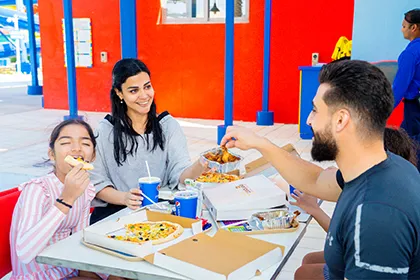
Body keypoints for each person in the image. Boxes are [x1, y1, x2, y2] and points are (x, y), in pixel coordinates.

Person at [221, 60, 420, 279]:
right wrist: (260, 143)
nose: (308, 120)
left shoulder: (375, 216)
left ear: (341, 120)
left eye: (315, 110)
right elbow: (315, 180)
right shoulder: (387, 166)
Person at [90, 58, 208, 224]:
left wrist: (202, 163)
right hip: (118, 212)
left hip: (161, 211)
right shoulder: (105, 130)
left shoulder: (167, 125)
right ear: (119, 93)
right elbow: (98, 183)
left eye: (147, 87)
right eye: (133, 91)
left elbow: (181, 175)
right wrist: (125, 198)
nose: (144, 96)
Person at [292, 127, 419, 280]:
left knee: (303, 273)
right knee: (309, 259)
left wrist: (315, 209)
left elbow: (360, 240)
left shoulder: (376, 204)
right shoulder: (402, 177)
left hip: (383, 259)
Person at [9, 119, 102, 279]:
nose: (76, 148)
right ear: (52, 154)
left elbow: (80, 236)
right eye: (66, 142)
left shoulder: (86, 188)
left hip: (68, 267)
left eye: (85, 144)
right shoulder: (38, 189)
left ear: (92, 156)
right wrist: (66, 199)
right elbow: (24, 252)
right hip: (37, 274)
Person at [393, 9, 420, 169]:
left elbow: (399, 87)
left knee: (411, 144)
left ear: (414, 28)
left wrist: (383, 110)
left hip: (414, 108)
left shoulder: (410, 54)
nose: (401, 29)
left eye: (404, 26)